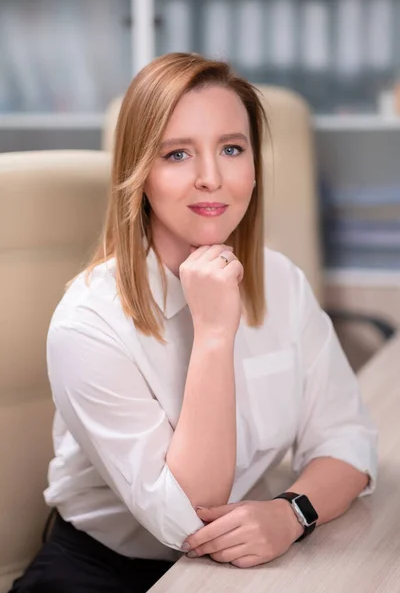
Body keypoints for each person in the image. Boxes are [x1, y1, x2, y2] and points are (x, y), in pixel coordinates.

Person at [9, 52, 378, 593]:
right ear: (140, 174)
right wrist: (213, 333)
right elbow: (185, 517)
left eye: (232, 148)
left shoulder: (281, 281)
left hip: (248, 561)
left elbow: (350, 443)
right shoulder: (88, 323)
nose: (211, 178)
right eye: (177, 154)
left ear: (254, 165)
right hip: (105, 572)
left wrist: (291, 512)